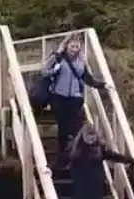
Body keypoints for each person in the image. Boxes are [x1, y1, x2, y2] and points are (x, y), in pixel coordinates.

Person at [44, 33, 108, 170]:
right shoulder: (58, 57)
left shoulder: (80, 61)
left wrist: (101, 85)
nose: (74, 49)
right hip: (59, 97)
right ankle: (61, 160)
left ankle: (73, 158)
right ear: (67, 46)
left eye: (77, 47)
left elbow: (87, 78)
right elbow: (44, 71)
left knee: (74, 129)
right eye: (72, 46)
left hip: (75, 98)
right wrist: (54, 70)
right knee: (63, 128)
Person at [68, 124, 134, 199]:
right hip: (82, 182)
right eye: (88, 135)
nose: (91, 138)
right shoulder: (76, 149)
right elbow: (69, 163)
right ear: (83, 136)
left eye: (93, 135)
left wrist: (129, 160)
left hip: (96, 182)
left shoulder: (100, 148)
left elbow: (113, 156)